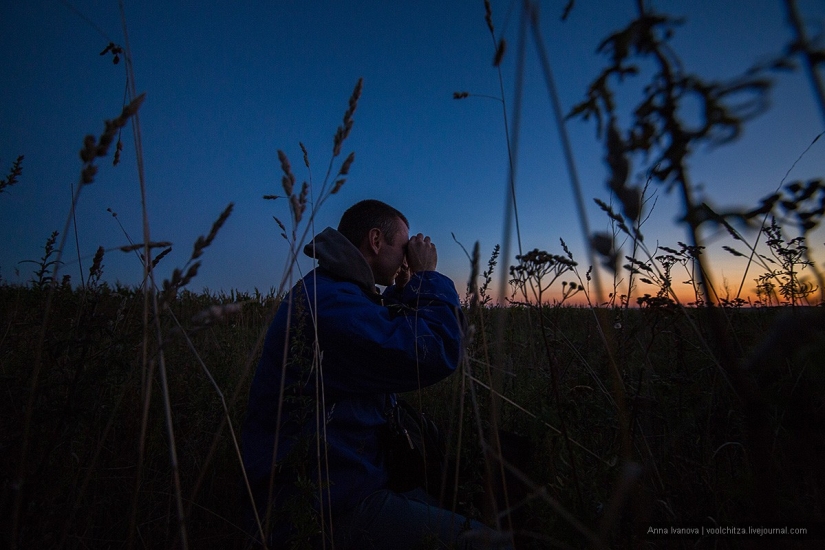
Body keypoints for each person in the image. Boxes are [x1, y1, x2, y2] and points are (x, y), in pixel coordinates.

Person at [241, 200, 511, 549]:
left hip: (348, 482)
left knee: (459, 504)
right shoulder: (330, 303)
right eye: (403, 246)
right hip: (321, 511)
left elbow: (377, 331)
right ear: (375, 241)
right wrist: (427, 276)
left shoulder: (334, 291)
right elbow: (433, 352)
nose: (406, 257)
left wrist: (401, 289)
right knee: (493, 544)